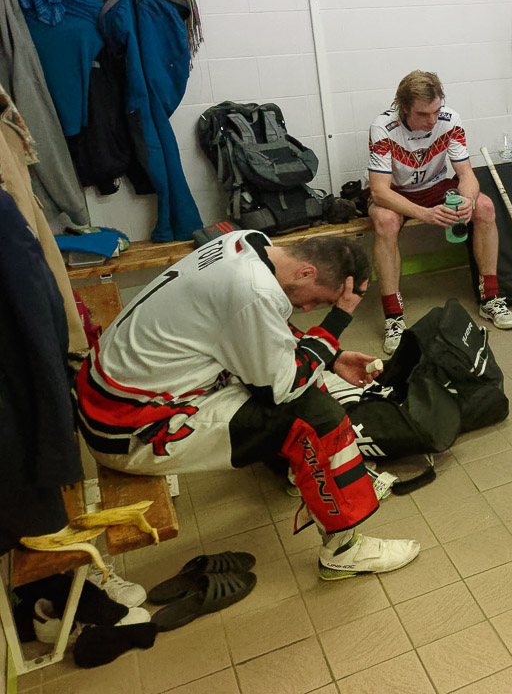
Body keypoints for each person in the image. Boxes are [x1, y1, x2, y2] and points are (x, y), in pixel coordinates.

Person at [76, 232, 419, 580]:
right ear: (306, 272)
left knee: (308, 375)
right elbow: (281, 388)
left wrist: (333, 357)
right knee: (317, 418)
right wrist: (339, 318)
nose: (306, 310)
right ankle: (343, 552)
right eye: (318, 300)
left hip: (109, 395)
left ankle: (304, 472)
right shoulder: (253, 291)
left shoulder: (247, 243)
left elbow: (261, 328)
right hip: (129, 430)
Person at [367, 71, 512, 353]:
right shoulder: (383, 127)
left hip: (435, 186)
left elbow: (466, 174)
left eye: (436, 111)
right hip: (396, 191)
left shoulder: (450, 120)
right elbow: (379, 192)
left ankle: (490, 299)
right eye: (423, 114)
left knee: (485, 207)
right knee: (386, 221)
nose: (432, 120)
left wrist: (468, 200)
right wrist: (424, 214)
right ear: (404, 108)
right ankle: (393, 317)